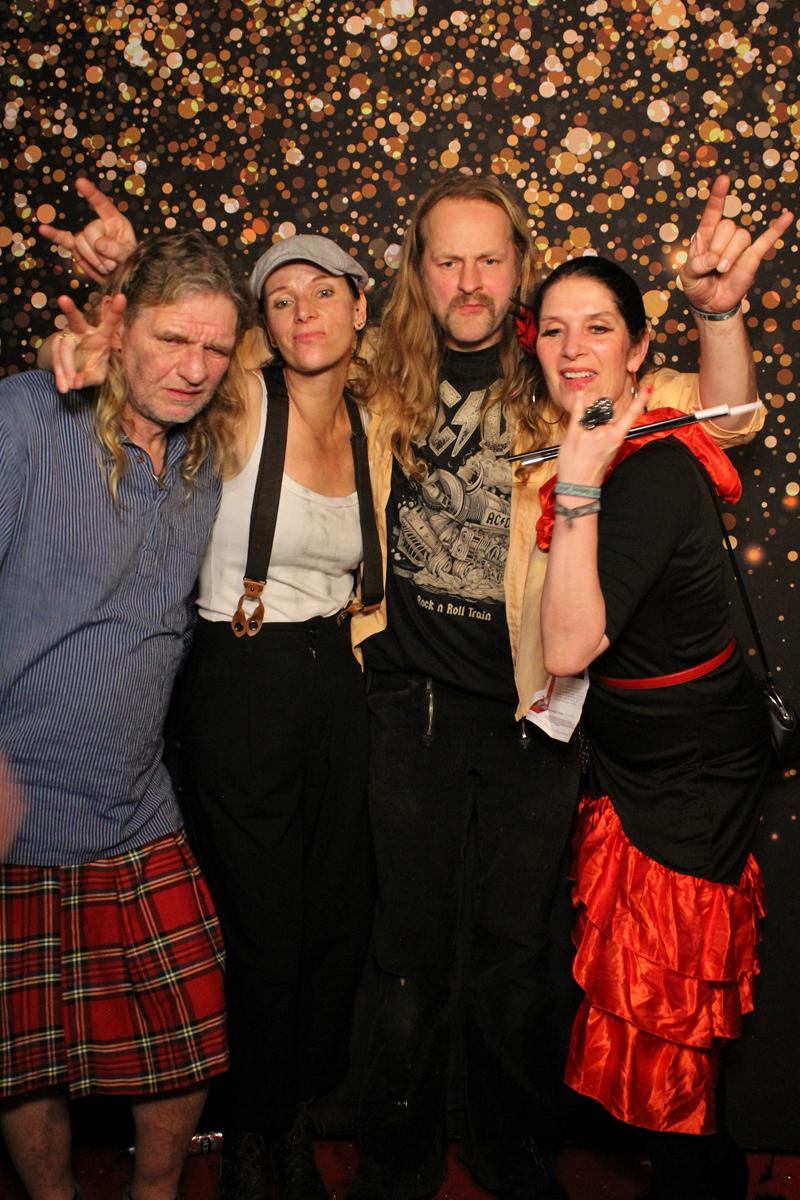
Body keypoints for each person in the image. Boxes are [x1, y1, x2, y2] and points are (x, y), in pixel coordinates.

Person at [346, 173, 786, 1200]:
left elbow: (723, 419)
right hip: (409, 703)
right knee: (405, 948)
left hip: (529, 712)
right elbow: (253, 357)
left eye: (489, 259)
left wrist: (719, 314)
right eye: (446, 259)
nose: (468, 281)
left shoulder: (567, 371)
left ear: (519, 270)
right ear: (417, 271)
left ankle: (507, 1147)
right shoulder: (376, 374)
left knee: (516, 951)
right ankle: (397, 1155)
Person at [39, 191, 378, 1200]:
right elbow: (168, 348)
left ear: (361, 305)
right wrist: (125, 272)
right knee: (264, 928)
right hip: (240, 674)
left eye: (325, 292)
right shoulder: (238, 397)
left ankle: (297, 1105)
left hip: (337, 678)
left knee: (337, 921)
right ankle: (254, 1135)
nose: (305, 312)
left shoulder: (380, 416)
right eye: (281, 298)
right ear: (261, 324)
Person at [0, 230, 254, 1200]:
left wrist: (137, 265)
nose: (194, 368)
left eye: (215, 347)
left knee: (187, 1029)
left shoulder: (206, 453)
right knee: (22, 1054)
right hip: (17, 812)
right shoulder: (28, 418)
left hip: (136, 806)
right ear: (118, 328)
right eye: (171, 339)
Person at [535, 254, 774, 1200]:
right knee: (653, 985)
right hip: (633, 747)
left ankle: (701, 1181)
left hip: (690, 763)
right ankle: (699, 1168)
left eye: (598, 327)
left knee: (669, 986)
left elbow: (569, 646)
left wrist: (579, 486)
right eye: (554, 330)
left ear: (638, 349)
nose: (573, 348)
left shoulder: (651, 464)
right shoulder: (588, 430)